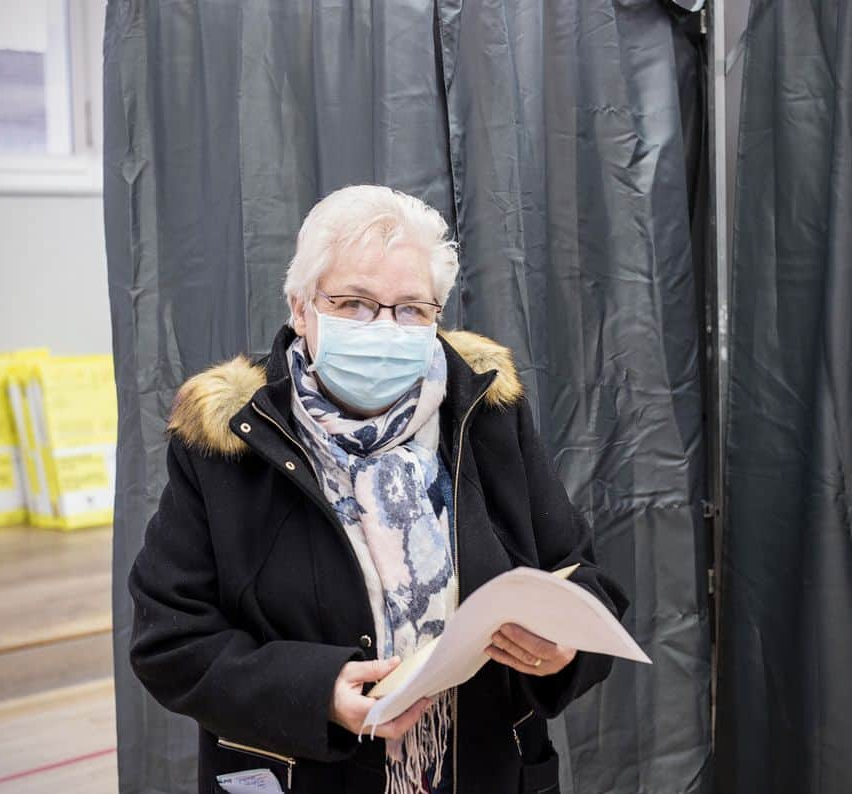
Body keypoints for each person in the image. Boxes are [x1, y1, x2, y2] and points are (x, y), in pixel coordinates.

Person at [128, 184, 628, 794]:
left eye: (412, 309)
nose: (386, 328)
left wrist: (564, 651)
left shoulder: (486, 414)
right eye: (355, 304)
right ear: (300, 307)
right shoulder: (227, 442)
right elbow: (170, 641)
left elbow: (580, 581)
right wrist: (318, 694)